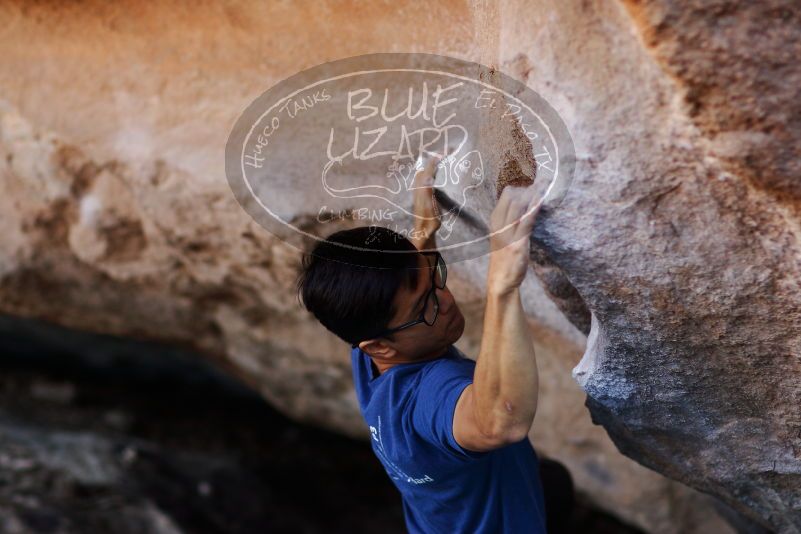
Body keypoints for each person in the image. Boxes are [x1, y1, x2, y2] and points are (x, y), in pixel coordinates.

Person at [296, 157, 574, 533]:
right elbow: (501, 423)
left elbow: (401, 292)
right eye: (426, 306)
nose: (445, 301)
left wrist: (424, 232)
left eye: (435, 279)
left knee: (552, 481)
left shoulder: (370, 361)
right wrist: (502, 283)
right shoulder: (430, 395)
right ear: (380, 346)